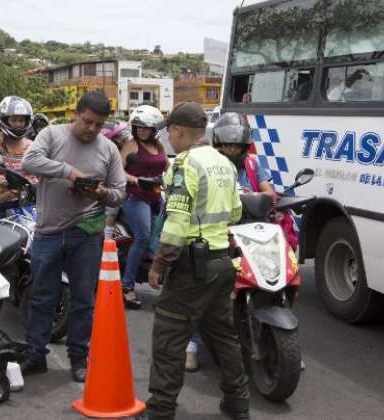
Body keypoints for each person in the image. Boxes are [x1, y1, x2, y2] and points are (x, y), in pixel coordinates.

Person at [143, 102, 249, 420]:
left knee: (169, 336)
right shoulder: (225, 163)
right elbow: (235, 213)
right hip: (222, 263)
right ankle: (238, 403)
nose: (168, 140)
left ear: (177, 130)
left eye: (169, 133)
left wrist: (159, 264)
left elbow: (176, 224)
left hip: (192, 267)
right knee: (223, 336)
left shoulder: (184, 165)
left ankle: (160, 411)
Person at [20, 90, 126, 383]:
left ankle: (79, 357)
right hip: (48, 232)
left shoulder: (109, 149)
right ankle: (35, 355)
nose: (92, 129)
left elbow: (119, 194)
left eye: (98, 124)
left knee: (83, 300)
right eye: (87, 121)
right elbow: (29, 161)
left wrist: (102, 192)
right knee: (42, 297)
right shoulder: (52, 135)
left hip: (87, 233)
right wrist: (68, 172)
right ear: (75, 114)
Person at [212, 112, 298, 249]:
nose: (233, 150)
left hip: (254, 229)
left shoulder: (252, 163)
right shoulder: (212, 166)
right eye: (228, 145)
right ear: (220, 144)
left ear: (244, 146)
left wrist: (253, 195)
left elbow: (269, 193)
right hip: (223, 230)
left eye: (237, 145)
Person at [119, 105, 170, 309]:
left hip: (157, 196)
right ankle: (127, 286)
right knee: (143, 237)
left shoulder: (159, 146)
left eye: (145, 127)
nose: (141, 130)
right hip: (135, 197)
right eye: (138, 126)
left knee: (170, 236)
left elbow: (168, 166)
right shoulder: (131, 145)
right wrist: (135, 180)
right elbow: (118, 170)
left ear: (154, 129)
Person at [0, 96, 36, 228]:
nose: (18, 124)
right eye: (14, 119)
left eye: (21, 120)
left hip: (30, 204)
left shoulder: (33, 145)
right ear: (4, 120)